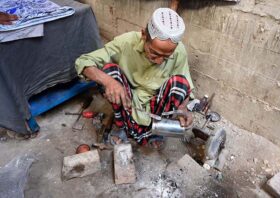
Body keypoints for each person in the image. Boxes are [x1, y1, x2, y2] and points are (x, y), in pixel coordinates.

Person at [75, 8, 194, 148]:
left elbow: (186, 88)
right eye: (154, 54)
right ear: (144, 35)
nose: (159, 61)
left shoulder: (179, 51)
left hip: (157, 104)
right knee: (109, 72)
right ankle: (123, 127)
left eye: (166, 57)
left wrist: (183, 108)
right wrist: (109, 82)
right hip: (128, 101)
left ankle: (156, 131)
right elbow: (83, 62)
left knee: (180, 83)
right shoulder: (126, 42)